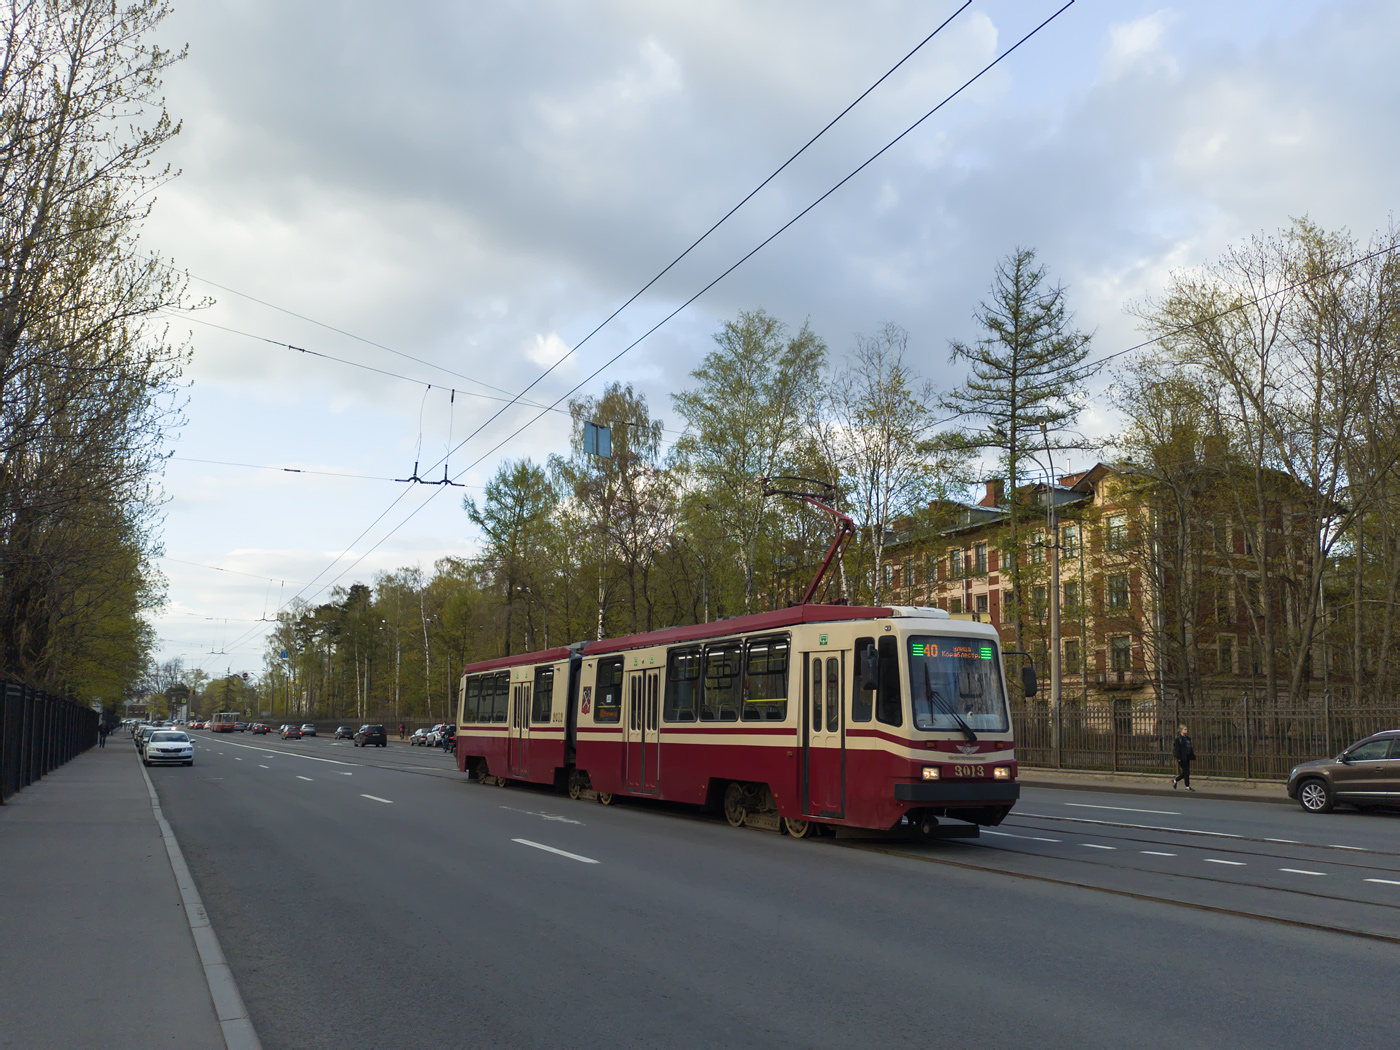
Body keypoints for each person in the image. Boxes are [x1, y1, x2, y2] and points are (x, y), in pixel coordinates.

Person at [1172, 724, 1196, 790]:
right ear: (1181, 730)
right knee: (1186, 771)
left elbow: (1189, 747)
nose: (1187, 730)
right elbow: (1177, 749)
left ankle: (1175, 780)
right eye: (1185, 729)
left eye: (1187, 729)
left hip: (1187, 756)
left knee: (1185, 772)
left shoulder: (1188, 738)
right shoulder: (1178, 739)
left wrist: (1192, 755)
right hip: (1181, 758)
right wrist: (1178, 758)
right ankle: (1187, 786)